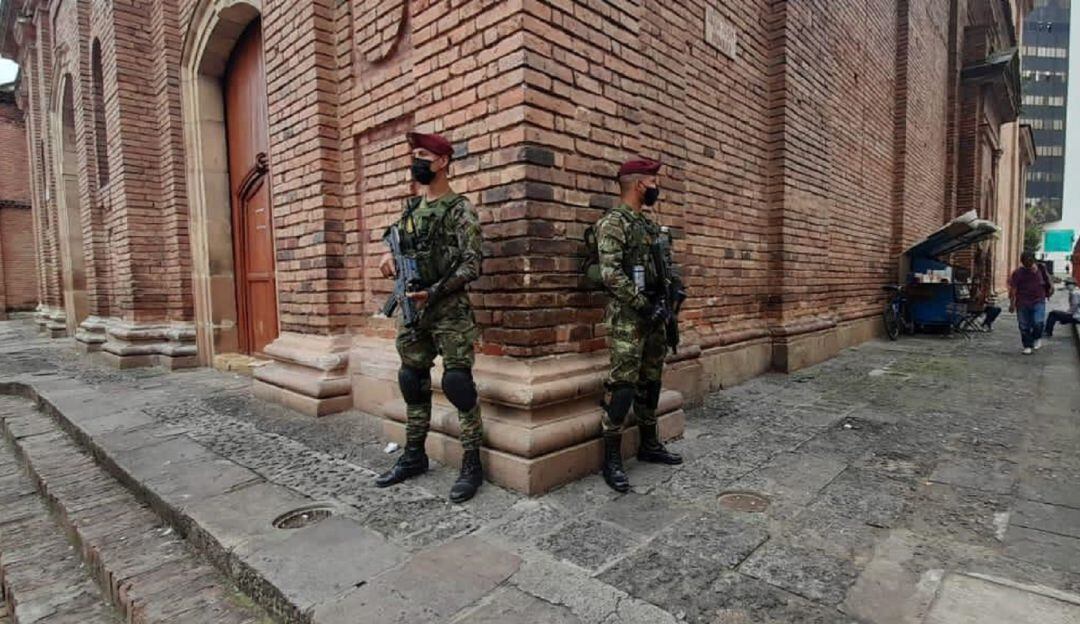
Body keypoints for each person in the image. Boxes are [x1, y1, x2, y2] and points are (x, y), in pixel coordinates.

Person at [375, 132, 485, 503]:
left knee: (457, 383)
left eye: (423, 154)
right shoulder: (409, 211)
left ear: (442, 161)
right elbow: (393, 242)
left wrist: (434, 292)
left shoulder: (460, 209)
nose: (416, 160)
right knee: (412, 380)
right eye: (413, 154)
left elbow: (473, 264)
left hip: (448, 312)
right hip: (412, 312)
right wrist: (387, 258)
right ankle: (414, 455)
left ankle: (472, 463)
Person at [592, 157, 684, 493]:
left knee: (651, 380)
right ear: (639, 184)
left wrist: (674, 292)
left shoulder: (650, 228)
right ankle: (611, 458)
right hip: (630, 320)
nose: (657, 187)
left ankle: (649, 444)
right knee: (624, 386)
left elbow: (665, 268)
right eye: (654, 181)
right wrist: (645, 306)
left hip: (656, 317)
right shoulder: (614, 224)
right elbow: (610, 275)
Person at [1008, 251, 1051, 355]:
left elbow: (1048, 280)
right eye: (1025, 263)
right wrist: (1012, 303)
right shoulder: (1018, 273)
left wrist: (1049, 291)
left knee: (1038, 322)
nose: (1028, 265)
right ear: (1022, 262)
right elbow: (1013, 288)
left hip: (1038, 300)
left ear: (1033, 261)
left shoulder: (1041, 269)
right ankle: (1027, 345)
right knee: (1024, 325)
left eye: (1030, 262)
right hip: (1022, 301)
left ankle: (1036, 337)